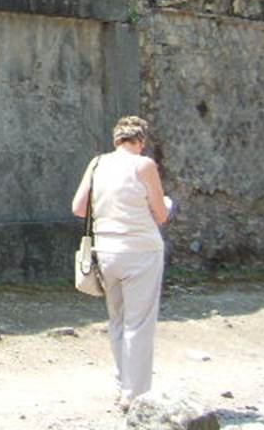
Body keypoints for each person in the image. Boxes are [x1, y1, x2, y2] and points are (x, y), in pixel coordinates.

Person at [71, 115, 172, 411]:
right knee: (139, 324)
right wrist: (166, 204)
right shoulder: (144, 165)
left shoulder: (97, 164)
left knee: (117, 321)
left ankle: (121, 386)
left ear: (117, 139)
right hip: (141, 251)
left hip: (106, 252)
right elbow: (161, 214)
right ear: (140, 141)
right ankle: (136, 395)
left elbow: (78, 208)